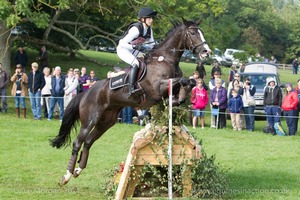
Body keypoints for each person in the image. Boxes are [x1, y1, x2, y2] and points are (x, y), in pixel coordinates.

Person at [117, 7, 157, 96]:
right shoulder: (136, 29)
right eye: (149, 18)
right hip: (123, 50)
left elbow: (152, 45)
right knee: (136, 63)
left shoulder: (149, 30)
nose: (151, 20)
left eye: (152, 18)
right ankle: (131, 88)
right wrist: (134, 46)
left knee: (147, 61)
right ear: (143, 19)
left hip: (134, 50)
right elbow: (121, 43)